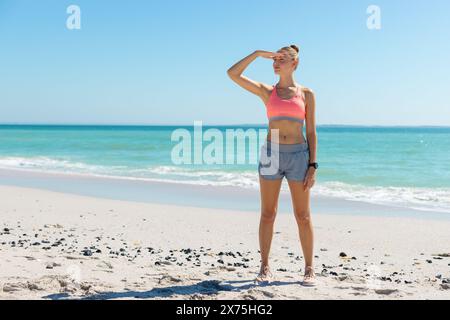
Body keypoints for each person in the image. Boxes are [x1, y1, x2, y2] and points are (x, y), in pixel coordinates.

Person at [227, 45, 318, 286]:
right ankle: (265, 266)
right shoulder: (268, 92)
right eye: (274, 59)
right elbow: (232, 74)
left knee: (303, 216)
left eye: (282, 59)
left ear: (295, 64)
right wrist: (257, 54)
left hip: (299, 155)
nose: (276, 63)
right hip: (271, 154)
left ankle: (309, 268)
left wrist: (313, 165)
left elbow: (311, 131)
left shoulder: (307, 94)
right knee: (268, 214)